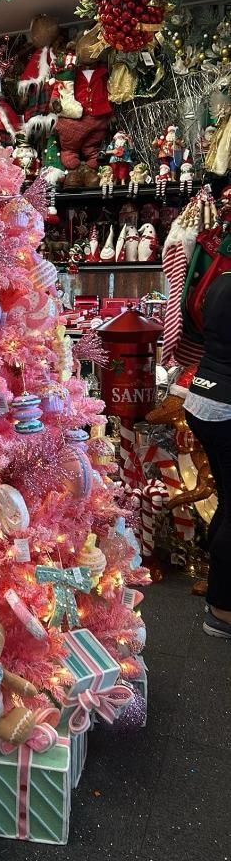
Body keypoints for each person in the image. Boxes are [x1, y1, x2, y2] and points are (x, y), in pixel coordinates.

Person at [185, 272, 231, 638]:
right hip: (225, 404)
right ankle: (222, 609)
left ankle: (216, 595)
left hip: (202, 394)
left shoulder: (220, 280)